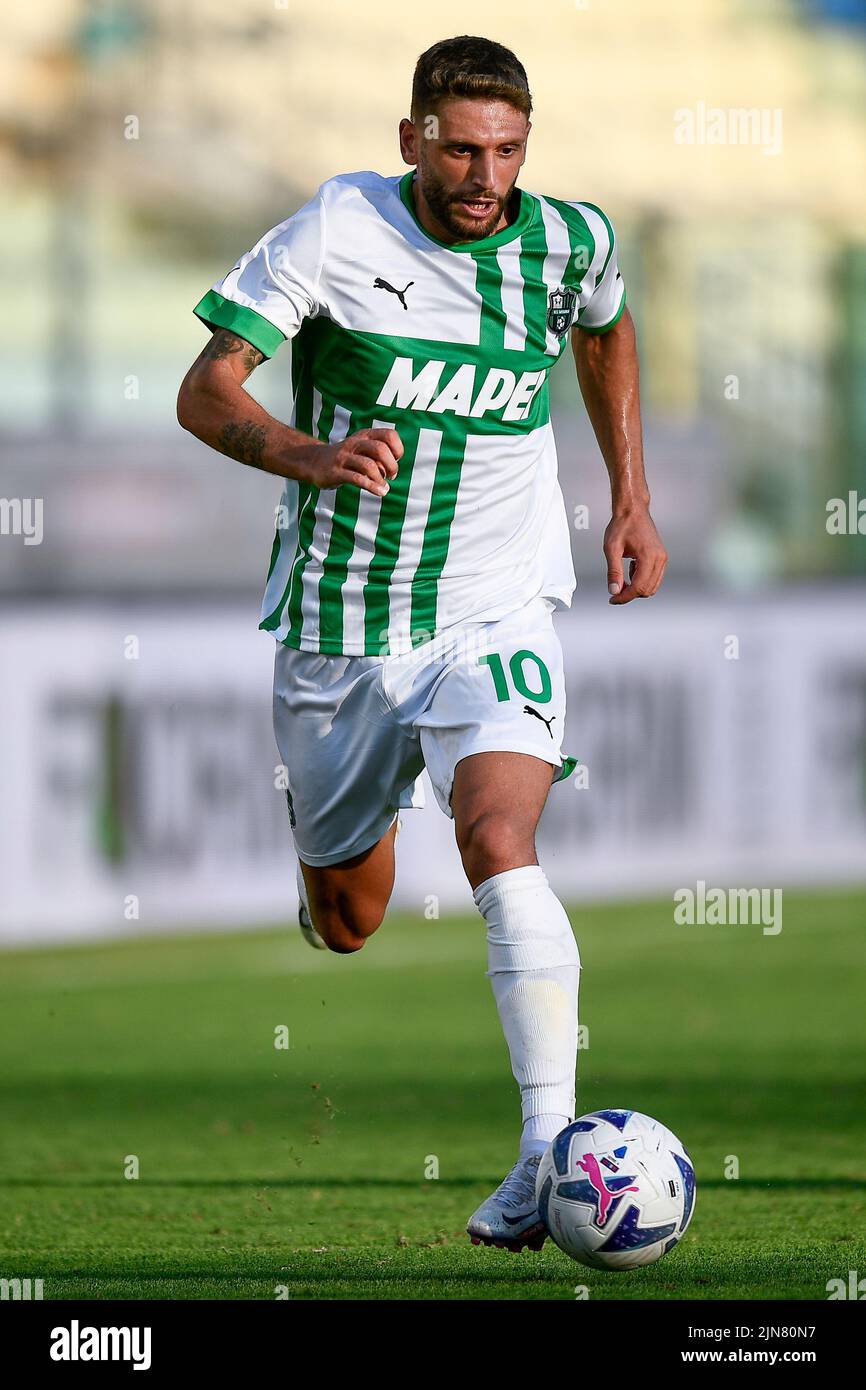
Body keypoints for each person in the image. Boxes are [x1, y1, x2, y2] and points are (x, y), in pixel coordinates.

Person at [177, 34, 667, 1252]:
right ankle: (327, 868)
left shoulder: (571, 240)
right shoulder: (335, 233)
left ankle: (543, 1151)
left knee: (501, 836)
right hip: (339, 631)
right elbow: (206, 390)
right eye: (458, 148)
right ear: (411, 141)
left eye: (505, 149)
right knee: (350, 918)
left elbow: (603, 331)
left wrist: (630, 497)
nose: (483, 174)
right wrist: (308, 454)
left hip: (493, 607)